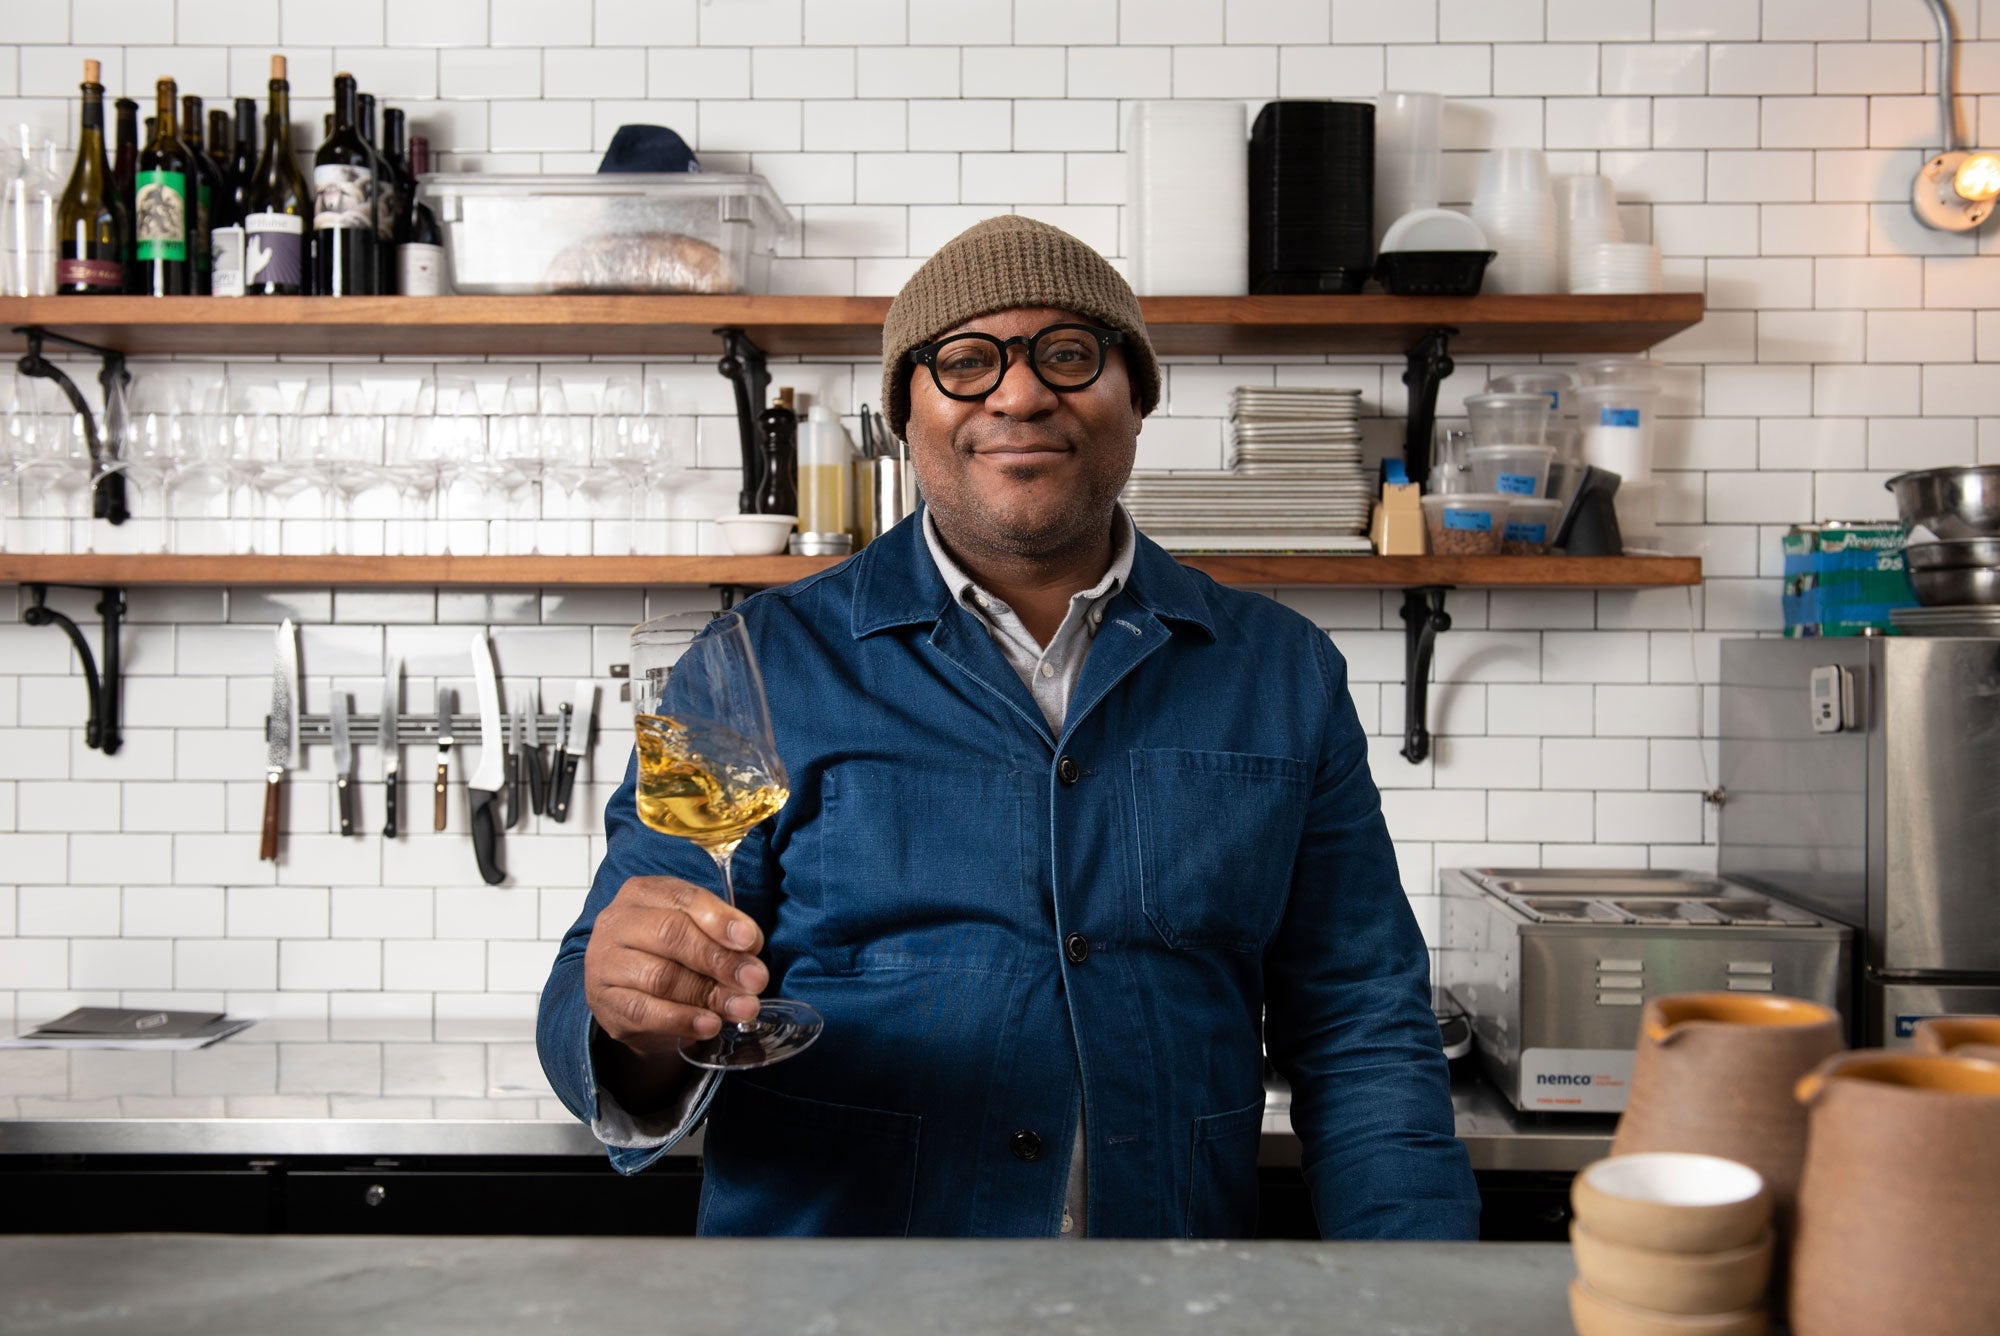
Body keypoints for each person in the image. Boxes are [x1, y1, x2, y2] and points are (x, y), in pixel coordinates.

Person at [538, 215, 1480, 1240]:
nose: (1020, 395)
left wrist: (1418, 1287)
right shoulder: (745, 661)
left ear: (1138, 398)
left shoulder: (1284, 672)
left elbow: (1361, 1024)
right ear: (905, 412)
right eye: (965, 361)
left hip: (1166, 1294)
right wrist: (635, 1015)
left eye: (1069, 354)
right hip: (831, 1303)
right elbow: (594, 996)